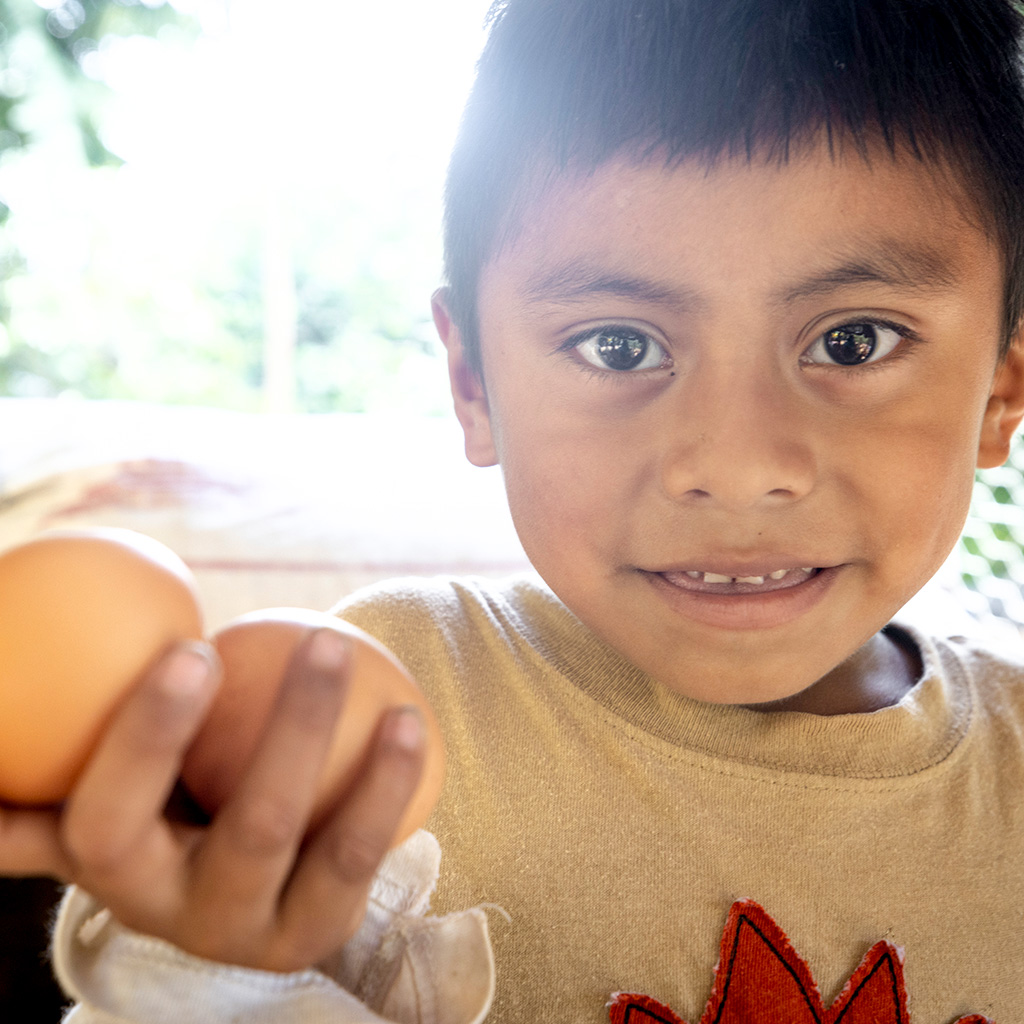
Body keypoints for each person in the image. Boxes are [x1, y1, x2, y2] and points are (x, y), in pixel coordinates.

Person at [4, 0, 1024, 1019]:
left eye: (852, 341)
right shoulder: (361, 720)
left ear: (1001, 386)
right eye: (617, 345)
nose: (736, 465)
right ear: (472, 381)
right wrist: (217, 978)